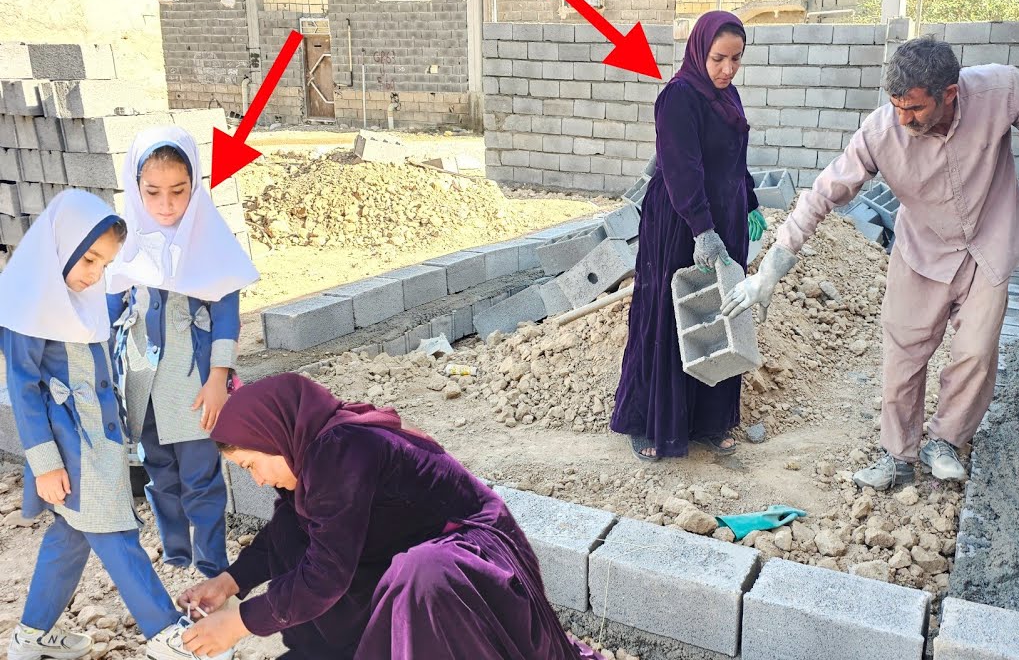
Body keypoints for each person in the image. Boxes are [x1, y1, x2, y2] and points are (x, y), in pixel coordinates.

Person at [723, 37, 1019, 489]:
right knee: (903, 354)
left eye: (914, 108)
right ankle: (896, 455)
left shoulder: (1000, 91)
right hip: (922, 253)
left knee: (975, 352)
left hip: (988, 246)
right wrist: (770, 271)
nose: (904, 118)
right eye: (896, 105)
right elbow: (822, 195)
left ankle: (946, 441)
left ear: (949, 93)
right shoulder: (881, 134)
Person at [174, 373, 604, 660]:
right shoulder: (311, 452)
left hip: (474, 556)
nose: (259, 481)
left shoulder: (341, 450)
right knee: (295, 539)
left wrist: (240, 622)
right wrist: (229, 583)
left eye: (252, 465)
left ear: (276, 437)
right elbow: (284, 533)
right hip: (415, 548)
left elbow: (326, 576)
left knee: (420, 576)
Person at [2, 189, 228, 660]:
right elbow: (23, 392)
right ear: (59, 247)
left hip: (98, 444)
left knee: (70, 538)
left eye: (103, 265)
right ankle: (167, 633)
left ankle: (32, 637)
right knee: (117, 535)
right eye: (88, 260)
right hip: (71, 449)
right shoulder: (29, 309)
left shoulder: (76, 300)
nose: (94, 275)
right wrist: (44, 464)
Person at [610, 10, 767, 461]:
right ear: (700, 51)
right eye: (719, 58)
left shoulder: (728, 95)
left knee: (719, 316)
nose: (728, 69)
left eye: (736, 59)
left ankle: (708, 422)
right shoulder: (678, 97)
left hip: (726, 221)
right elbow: (681, 169)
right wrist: (703, 230)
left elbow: (733, 158)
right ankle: (650, 422)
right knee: (670, 318)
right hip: (683, 224)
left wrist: (750, 199)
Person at [106, 126, 259, 580]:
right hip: (140, 383)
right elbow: (109, 312)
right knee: (159, 473)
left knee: (201, 478)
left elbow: (227, 316)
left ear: (194, 187)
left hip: (194, 384)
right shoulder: (123, 242)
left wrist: (219, 379)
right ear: (136, 190)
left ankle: (211, 562)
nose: (167, 204)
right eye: (152, 192)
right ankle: (176, 554)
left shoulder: (207, 237)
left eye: (178, 191)